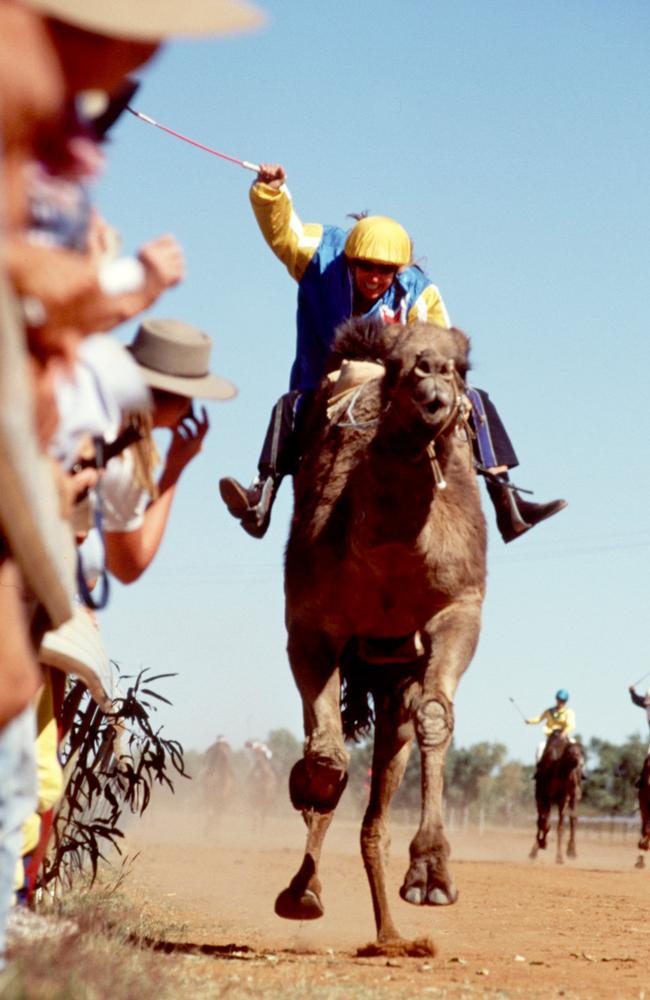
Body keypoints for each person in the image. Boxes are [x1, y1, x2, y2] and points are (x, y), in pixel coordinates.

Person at [219, 163, 567, 541]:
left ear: (398, 269)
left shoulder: (419, 292)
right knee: (289, 406)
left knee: (475, 398)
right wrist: (271, 192)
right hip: (321, 380)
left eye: (384, 270)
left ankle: (506, 501)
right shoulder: (319, 255)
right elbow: (283, 231)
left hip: (392, 387)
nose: (373, 277)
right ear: (350, 260)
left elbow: (443, 344)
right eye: (365, 267)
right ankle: (261, 498)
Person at [102, 318, 237, 583]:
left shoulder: (91, 414)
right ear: (181, 399)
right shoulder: (123, 460)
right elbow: (129, 566)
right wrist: (174, 469)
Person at [526, 689, 576, 763]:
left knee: (576, 750)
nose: (560, 702)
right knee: (540, 748)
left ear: (565, 702)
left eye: (563, 700)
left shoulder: (569, 712)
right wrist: (530, 721)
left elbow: (571, 725)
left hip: (563, 737)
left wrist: (564, 732)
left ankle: (581, 772)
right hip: (551, 737)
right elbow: (539, 718)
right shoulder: (549, 711)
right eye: (559, 699)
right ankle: (539, 770)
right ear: (556, 699)